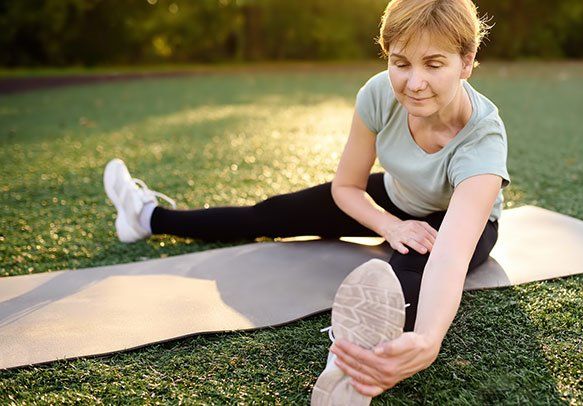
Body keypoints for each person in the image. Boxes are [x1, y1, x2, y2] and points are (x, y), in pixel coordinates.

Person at [104, 0, 509, 402]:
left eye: (434, 64)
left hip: (457, 221)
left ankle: (345, 373)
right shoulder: (378, 95)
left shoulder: (483, 141)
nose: (414, 82)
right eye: (401, 63)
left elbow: (450, 259)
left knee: (404, 277)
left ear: (467, 62)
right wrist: (389, 225)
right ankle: (146, 217)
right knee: (271, 214)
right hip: (399, 197)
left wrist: (428, 340)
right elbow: (346, 188)